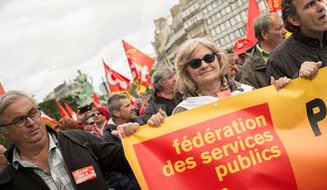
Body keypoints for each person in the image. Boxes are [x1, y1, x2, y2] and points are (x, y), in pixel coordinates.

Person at [0, 91, 133, 189]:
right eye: (19, 120)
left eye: (33, 112)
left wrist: (136, 136)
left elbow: (131, 159)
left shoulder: (81, 140)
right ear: (4, 132)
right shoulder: (6, 182)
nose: (31, 122)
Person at [147, 38, 290, 127]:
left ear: (219, 60)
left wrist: (281, 94)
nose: (204, 65)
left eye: (208, 58)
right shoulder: (183, 112)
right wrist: (158, 127)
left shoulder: (248, 92)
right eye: (195, 63)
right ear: (186, 72)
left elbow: (277, 125)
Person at [102, 94, 140, 190]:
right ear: (116, 113)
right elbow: (111, 173)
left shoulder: (141, 123)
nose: (133, 107)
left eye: (131, 104)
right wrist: (136, 186)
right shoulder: (107, 139)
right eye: (127, 106)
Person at [241, 13, 287, 88]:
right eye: (279, 28)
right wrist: (272, 90)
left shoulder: (292, 49)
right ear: (264, 34)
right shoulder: (250, 67)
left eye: (283, 27)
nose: (284, 31)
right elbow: (252, 97)